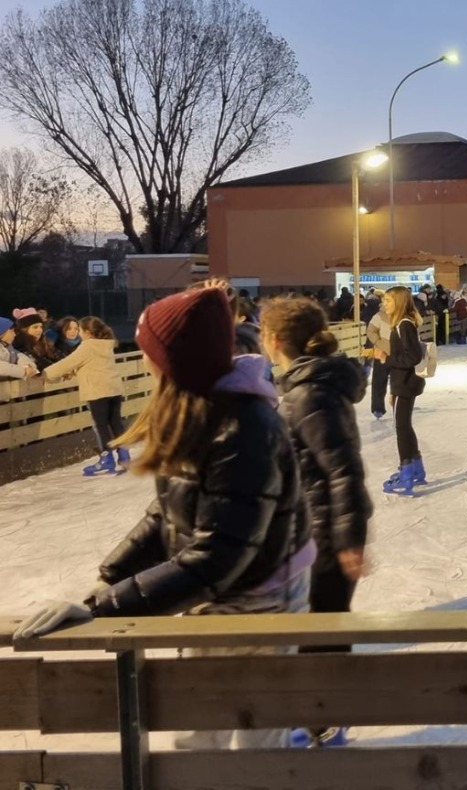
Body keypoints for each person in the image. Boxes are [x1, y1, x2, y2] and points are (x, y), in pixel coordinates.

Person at [16, 287, 312, 752]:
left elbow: (217, 555)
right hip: (215, 591)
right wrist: (106, 581)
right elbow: (166, 514)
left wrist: (104, 609)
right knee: (198, 733)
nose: (145, 362)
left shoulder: (244, 429)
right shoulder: (195, 408)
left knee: (255, 742)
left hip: (261, 597)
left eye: (150, 352)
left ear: (176, 360)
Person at [260, 296, 372, 749]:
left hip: (322, 535)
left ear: (273, 339)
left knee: (320, 631)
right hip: (311, 530)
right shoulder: (305, 385)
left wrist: (348, 541)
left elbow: (343, 470)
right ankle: (320, 719)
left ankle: (324, 721)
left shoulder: (309, 393)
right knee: (315, 629)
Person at [41, 316, 128, 475]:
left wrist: (45, 373)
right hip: (114, 389)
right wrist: (73, 371)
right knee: (116, 422)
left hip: (97, 391)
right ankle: (124, 454)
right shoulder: (105, 345)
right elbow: (90, 364)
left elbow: (68, 362)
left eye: (80, 330)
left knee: (101, 425)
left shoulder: (88, 346)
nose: (78, 333)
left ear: (87, 332)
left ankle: (106, 458)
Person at [379, 285, 426, 495]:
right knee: (405, 425)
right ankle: (416, 468)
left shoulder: (403, 324)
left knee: (401, 427)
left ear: (398, 302)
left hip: (405, 383)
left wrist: (386, 358)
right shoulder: (403, 323)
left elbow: (412, 357)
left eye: (388, 301)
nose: (384, 304)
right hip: (405, 383)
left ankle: (406, 472)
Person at [365, 295, 391, 419]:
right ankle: (377, 407)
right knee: (379, 381)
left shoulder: (403, 315)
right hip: (382, 353)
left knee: (400, 381)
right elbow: (370, 331)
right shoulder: (378, 316)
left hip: (399, 353)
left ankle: (400, 405)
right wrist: (379, 342)